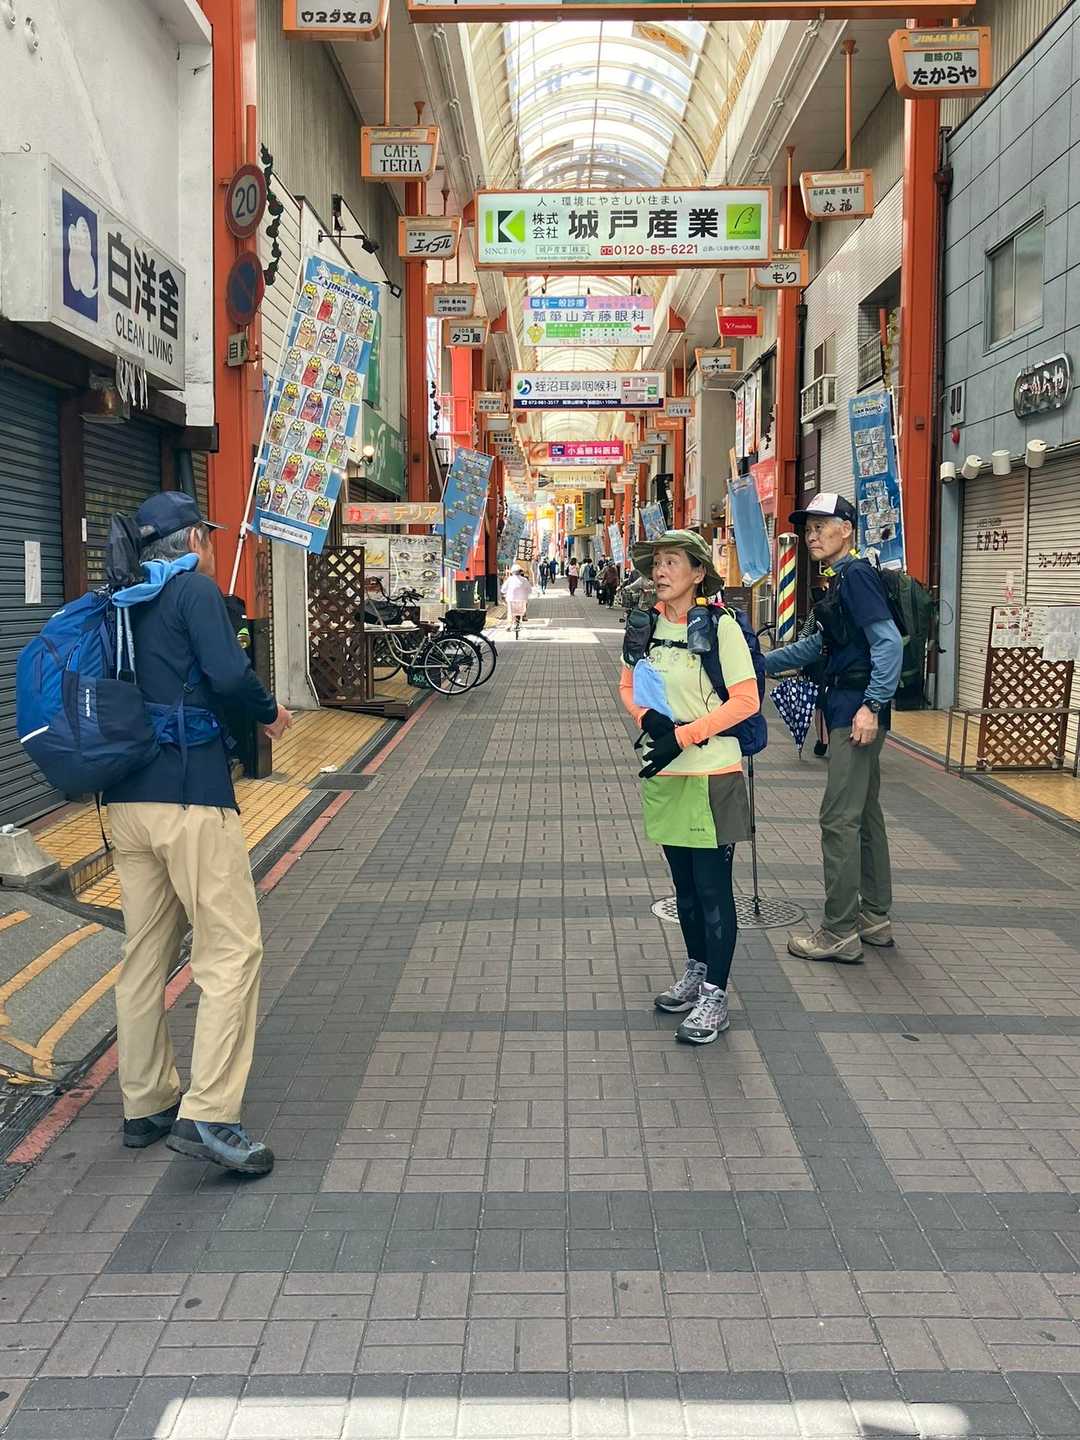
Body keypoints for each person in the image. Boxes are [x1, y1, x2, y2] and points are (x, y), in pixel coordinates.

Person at [104, 492, 292, 1176]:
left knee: (144, 954)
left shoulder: (117, 601)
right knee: (232, 950)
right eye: (206, 537)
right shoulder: (193, 591)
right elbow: (228, 674)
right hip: (190, 796)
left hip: (124, 802)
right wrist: (269, 714)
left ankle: (145, 1103)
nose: (211, 547)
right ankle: (210, 1113)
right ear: (192, 542)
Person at [620, 531, 760, 1045]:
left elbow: (746, 701)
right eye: (656, 562)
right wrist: (648, 719)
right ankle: (697, 972)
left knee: (712, 889)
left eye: (672, 561)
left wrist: (683, 735)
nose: (660, 571)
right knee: (683, 889)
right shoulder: (644, 626)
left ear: (699, 573)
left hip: (712, 775)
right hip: (665, 775)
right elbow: (627, 686)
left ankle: (716, 997)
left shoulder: (721, 627)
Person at [763, 493, 903, 963]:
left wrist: (872, 705)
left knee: (838, 819)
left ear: (847, 528)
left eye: (822, 526)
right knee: (865, 814)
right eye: (808, 528)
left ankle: (838, 930)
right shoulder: (843, 579)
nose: (812, 535)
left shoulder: (856, 577)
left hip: (853, 714)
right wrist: (759, 662)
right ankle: (874, 917)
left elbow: (888, 644)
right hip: (852, 708)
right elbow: (818, 646)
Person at [501, 564, 533, 636]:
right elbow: (530, 590)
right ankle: (522, 617)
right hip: (522, 600)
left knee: (510, 611)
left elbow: (503, 589)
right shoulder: (524, 580)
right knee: (520, 609)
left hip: (511, 599)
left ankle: (509, 625)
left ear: (512, 572)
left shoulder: (509, 579)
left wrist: (505, 592)